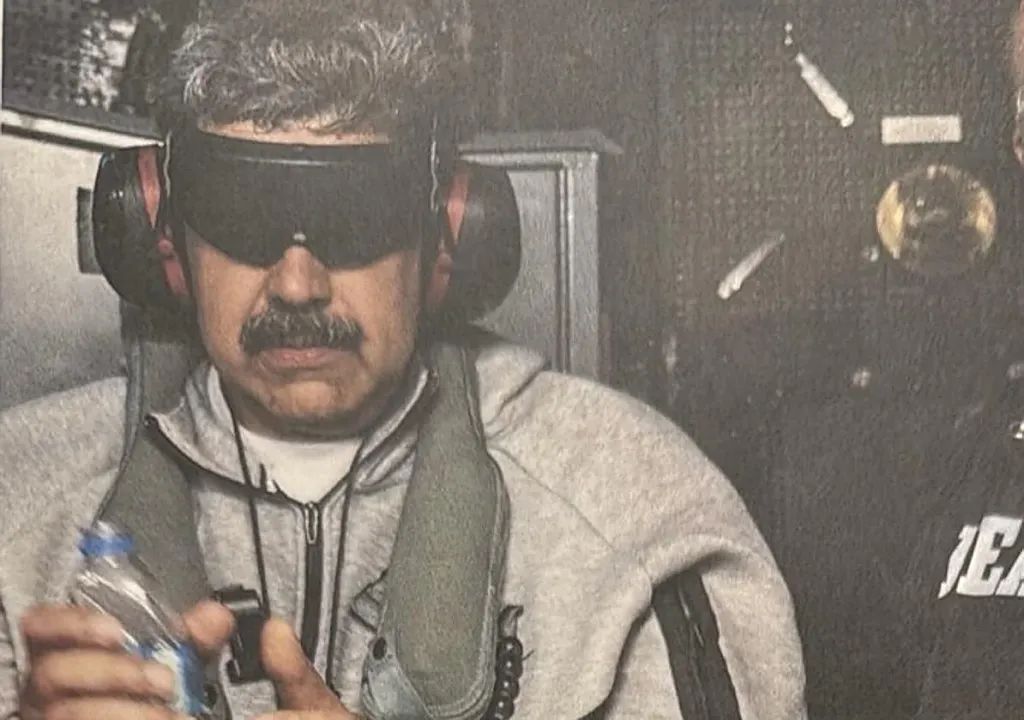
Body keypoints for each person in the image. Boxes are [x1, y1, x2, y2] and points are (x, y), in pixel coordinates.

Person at [0, 2, 806, 718]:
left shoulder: (636, 507)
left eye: (353, 219)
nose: (298, 284)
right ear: (163, 237)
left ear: (447, 238)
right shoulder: (19, 499)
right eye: (244, 216)